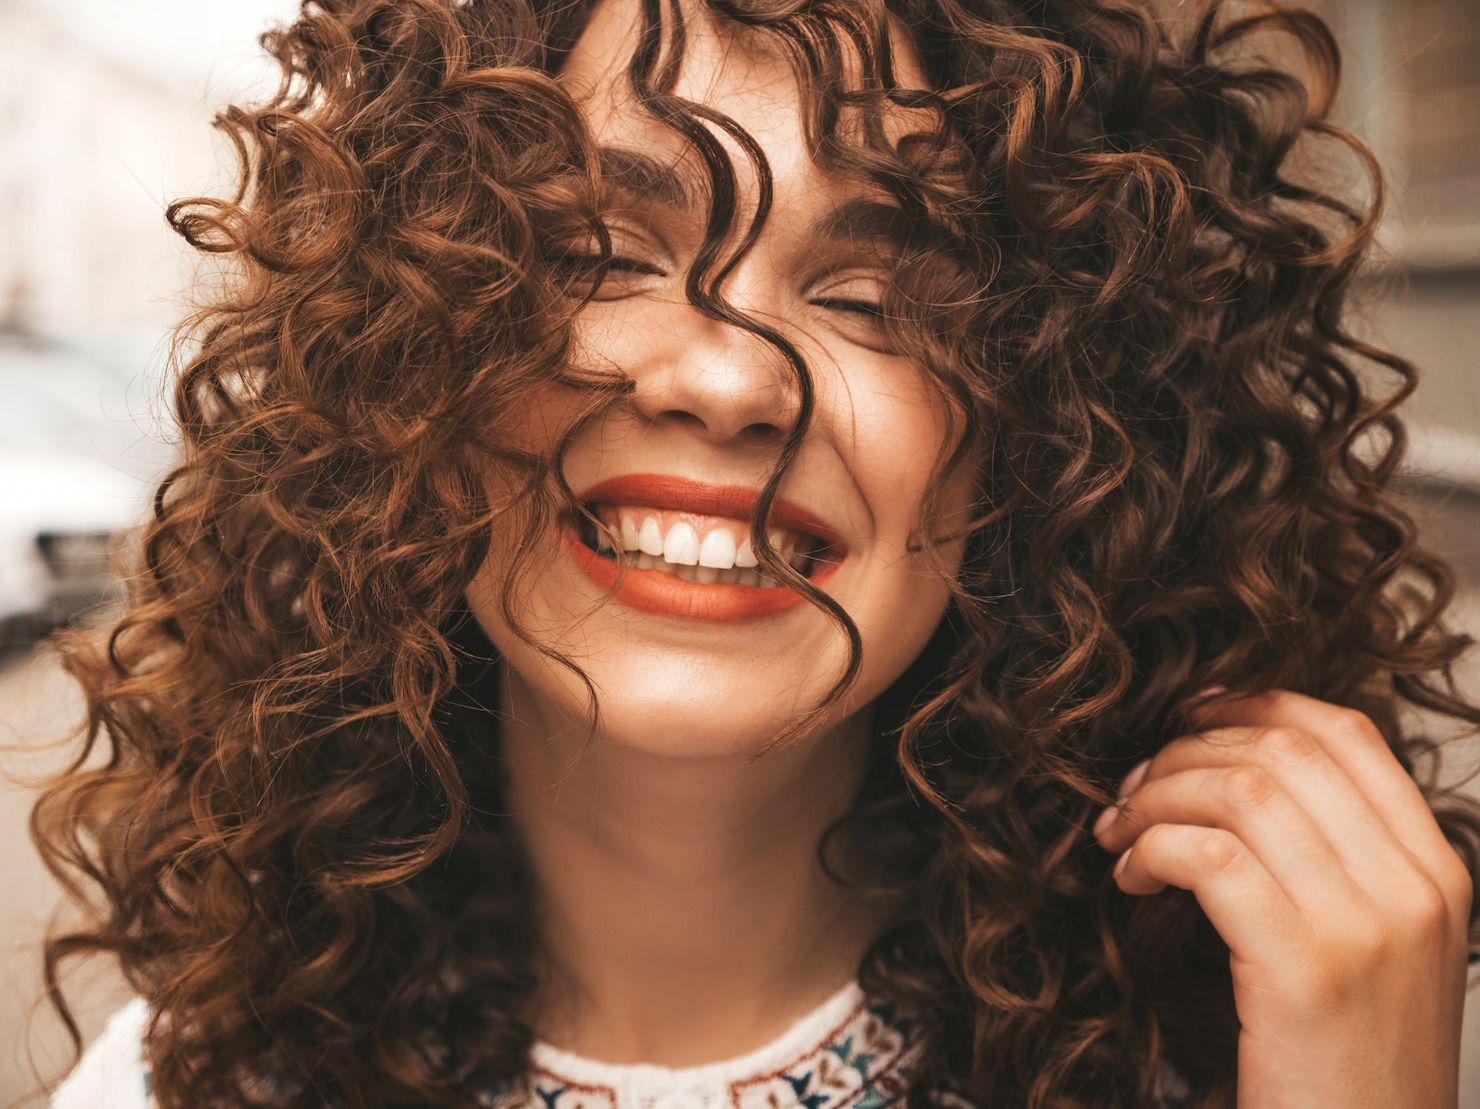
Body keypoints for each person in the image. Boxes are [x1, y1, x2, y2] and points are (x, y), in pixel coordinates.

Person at [33, 0, 1480, 1105]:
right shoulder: (179, 1084)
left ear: (1056, 436)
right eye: (598, 252)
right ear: (405, 350)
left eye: (880, 292)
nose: (725, 381)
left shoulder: (1273, 1048)